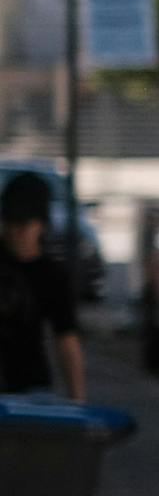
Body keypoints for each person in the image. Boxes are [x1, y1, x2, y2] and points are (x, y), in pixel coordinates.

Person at [0, 170, 85, 400]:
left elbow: (66, 339)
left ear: (41, 224)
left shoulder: (51, 276)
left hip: (30, 387)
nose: (14, 232)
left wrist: (77, 401)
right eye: (10, 222)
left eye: (23, 224)